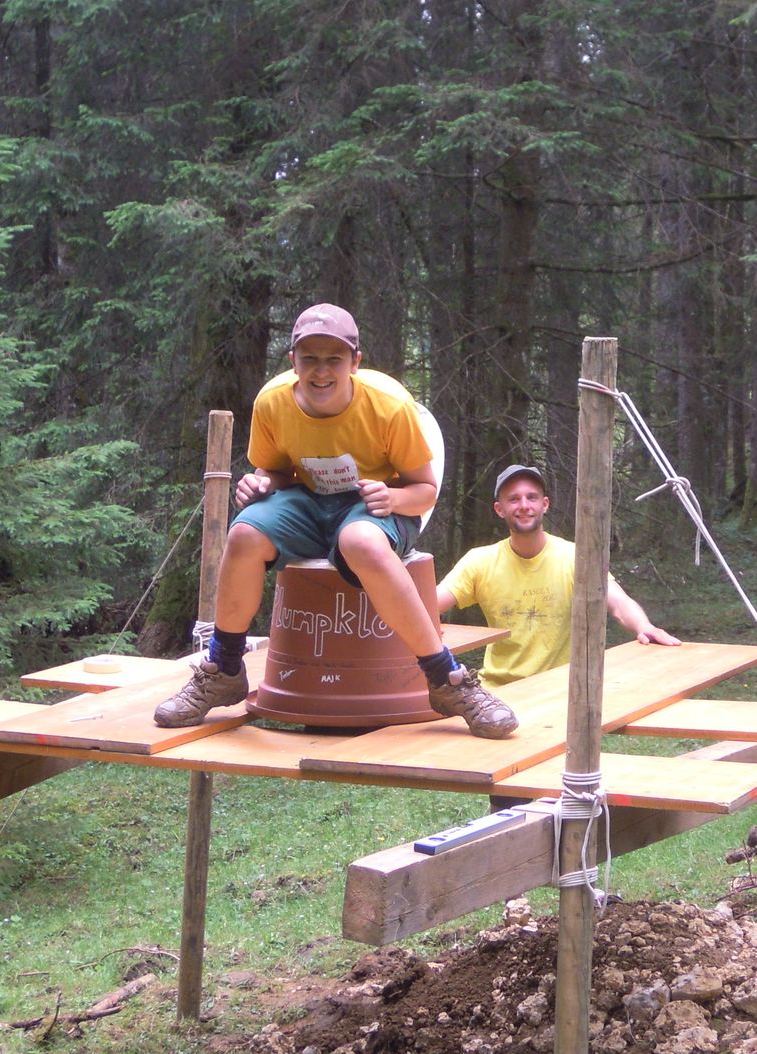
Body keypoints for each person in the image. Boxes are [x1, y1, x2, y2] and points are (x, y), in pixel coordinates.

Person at [156, 303, 519, 738]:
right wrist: (260, 483)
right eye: (310, 358)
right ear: (293, 361)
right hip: (309, 502)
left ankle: (447, 679)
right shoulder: (273, 402)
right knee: (245, 532)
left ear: (355, 362)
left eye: (334, 359)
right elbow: (275, 471)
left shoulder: (389, 405)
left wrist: (392, 496)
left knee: (360, 541)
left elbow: (425, 489)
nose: (322, 371)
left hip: (381, 506)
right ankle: (224, 668)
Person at [436, 464, 680, 688]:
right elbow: (432, 604)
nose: (524, 505)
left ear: (545, 504)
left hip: (561, 690)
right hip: (498, 691)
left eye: (532, 497)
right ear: (500, 509)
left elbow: (618, 602)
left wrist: (643, 626)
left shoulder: (575, 557)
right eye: (514, 499)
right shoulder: (480, 561)